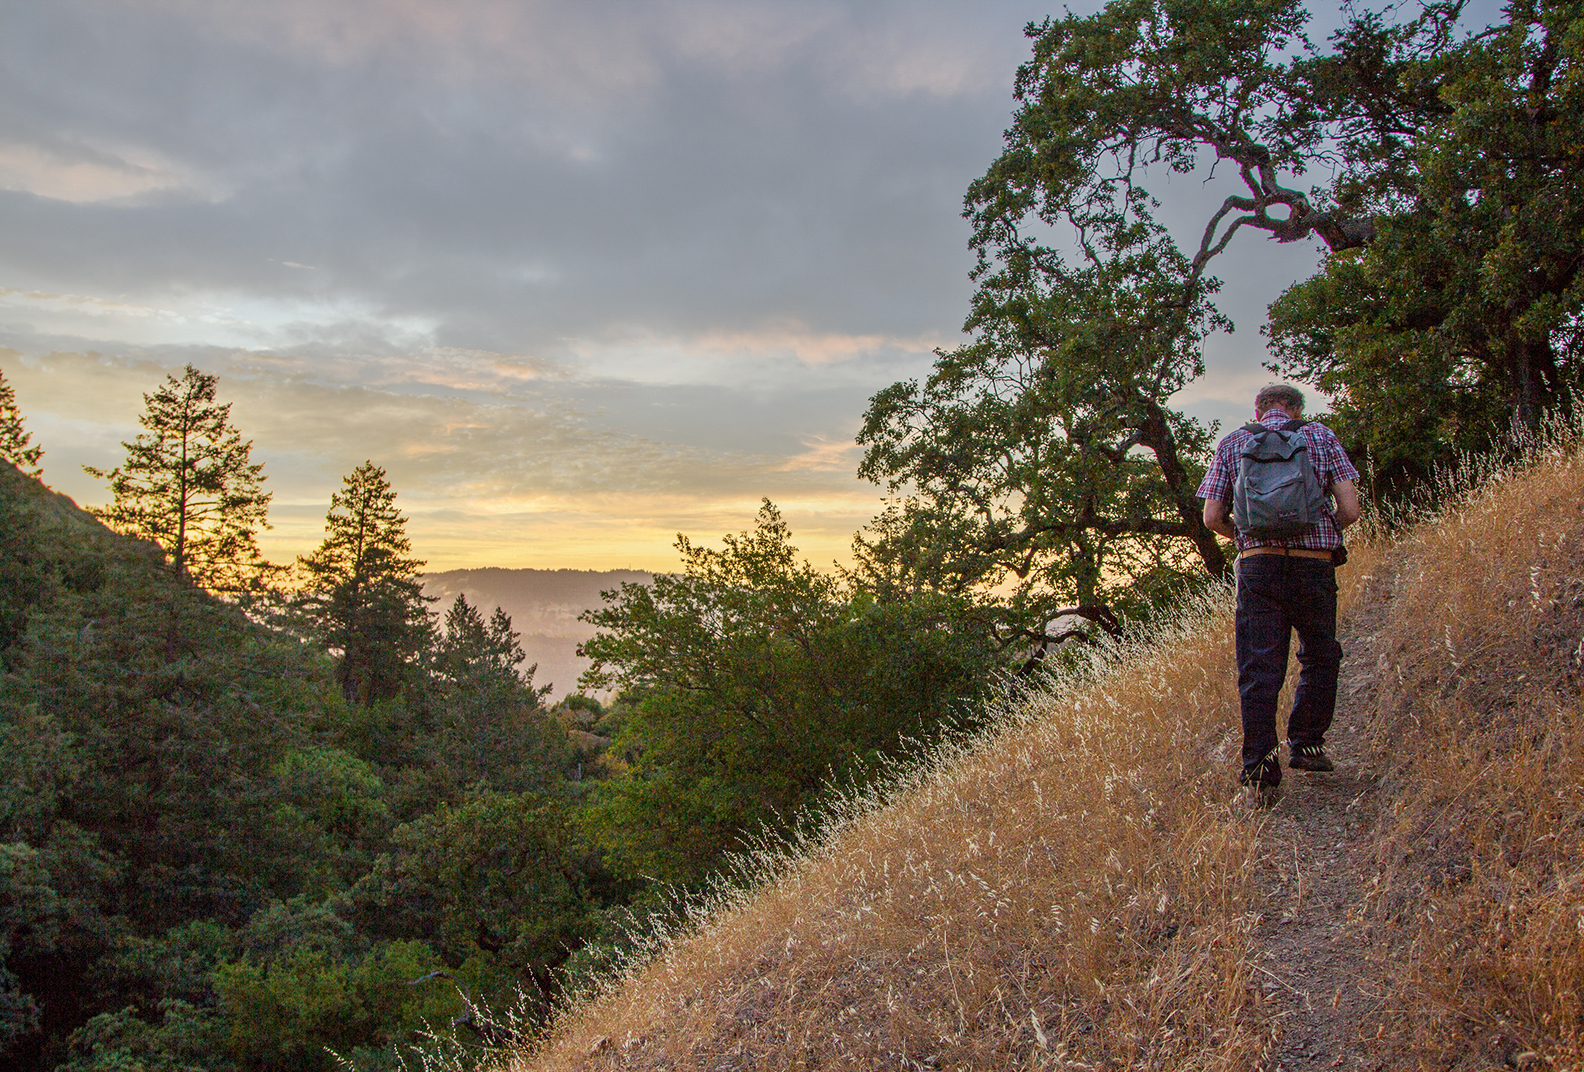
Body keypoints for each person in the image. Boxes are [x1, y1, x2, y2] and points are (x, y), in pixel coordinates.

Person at [1197, 384, 1361, 797]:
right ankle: (1306, 743)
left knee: (1259, 667)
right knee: (1321, 655)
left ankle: (1259, 765)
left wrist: (1245, 536)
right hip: (1313, 567)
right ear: (1296, 409)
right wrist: (1324, 529)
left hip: (1260, 566)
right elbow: (1351, 509)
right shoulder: (1320, 437)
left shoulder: (1234, 442)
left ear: (1259, 409)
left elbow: (1211, 516)